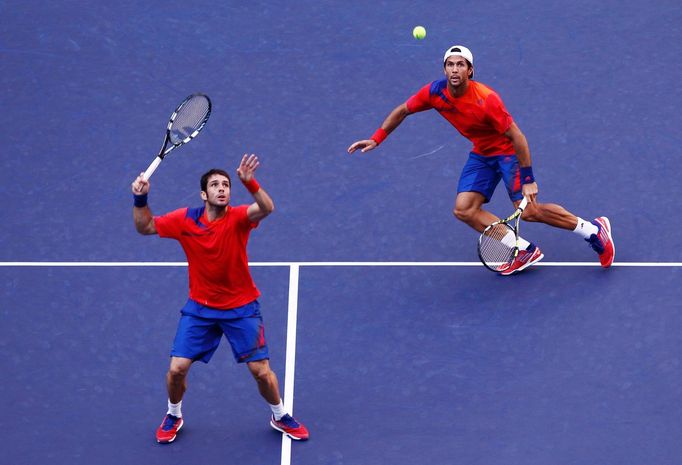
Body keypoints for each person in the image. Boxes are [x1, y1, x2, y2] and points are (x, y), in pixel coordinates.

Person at [347, 45, 615, 274]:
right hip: (482, 154)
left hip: (508, 153)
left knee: (532, 211)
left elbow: (518, 136)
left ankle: (593, 231)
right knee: (464, 210)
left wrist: (529, 178)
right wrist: (377, 137)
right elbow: (403, 110)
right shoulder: (434, 93)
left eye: (460, 65)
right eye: (449, 65)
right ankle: (521, 250)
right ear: (444, 70)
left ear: (470, 71)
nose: (454, 69)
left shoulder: (486, 100)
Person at [131, 154, 309, 443]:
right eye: (215, 185)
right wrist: (140, 199)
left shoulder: (239, 217)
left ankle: (279, 415)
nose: (222, 189)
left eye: (226, 184)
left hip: (241, 309)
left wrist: (250, 182)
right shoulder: (184, 220)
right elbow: (145, 227)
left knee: (261, 372)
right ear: (204, 194)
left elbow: (267, 207)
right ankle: (173, 413)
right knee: (176, 370)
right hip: (200, 309)